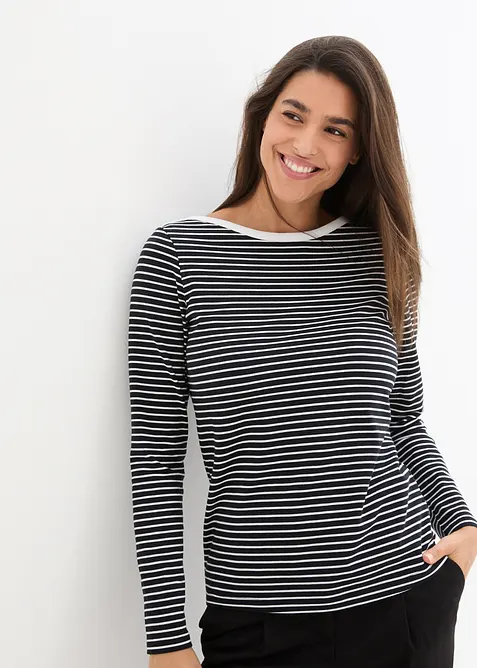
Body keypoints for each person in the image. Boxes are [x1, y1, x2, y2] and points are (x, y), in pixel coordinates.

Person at [127, 35, 477, 668]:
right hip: (258, 624)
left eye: (336, 130)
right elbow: (156, 453)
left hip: (402, 603)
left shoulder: (379, 254)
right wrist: (166, 642)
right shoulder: (179, 257)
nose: (306, 144)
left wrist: (461, 525)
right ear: (262, 116)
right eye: (294, 115)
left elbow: (403, 419)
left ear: (358, 151)